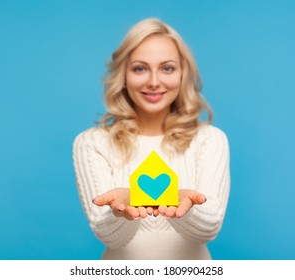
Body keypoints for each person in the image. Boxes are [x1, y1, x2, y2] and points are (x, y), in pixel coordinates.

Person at [73, 18, 230, 260]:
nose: (154, 81)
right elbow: (108, 236)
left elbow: (208, 231)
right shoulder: (92, 143)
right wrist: (124, 209)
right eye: (139, 68)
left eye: (167, 68)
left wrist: (182, 206)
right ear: (123, 75)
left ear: (182, 74)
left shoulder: (210, 140)